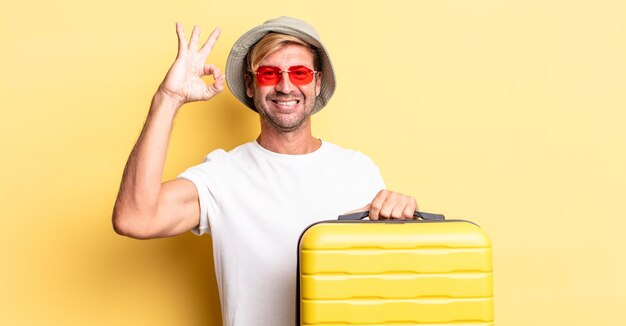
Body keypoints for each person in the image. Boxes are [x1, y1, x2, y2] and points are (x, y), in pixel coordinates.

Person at [113, 16, 418, 326]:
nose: (285, 86)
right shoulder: (222, 176)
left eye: (299, 72)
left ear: (317, 82)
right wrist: (169, 98)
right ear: (250, 84)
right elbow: (134, 218)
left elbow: (387, 286)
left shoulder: (358, 171)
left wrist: (403, 221)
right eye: (270, 73)